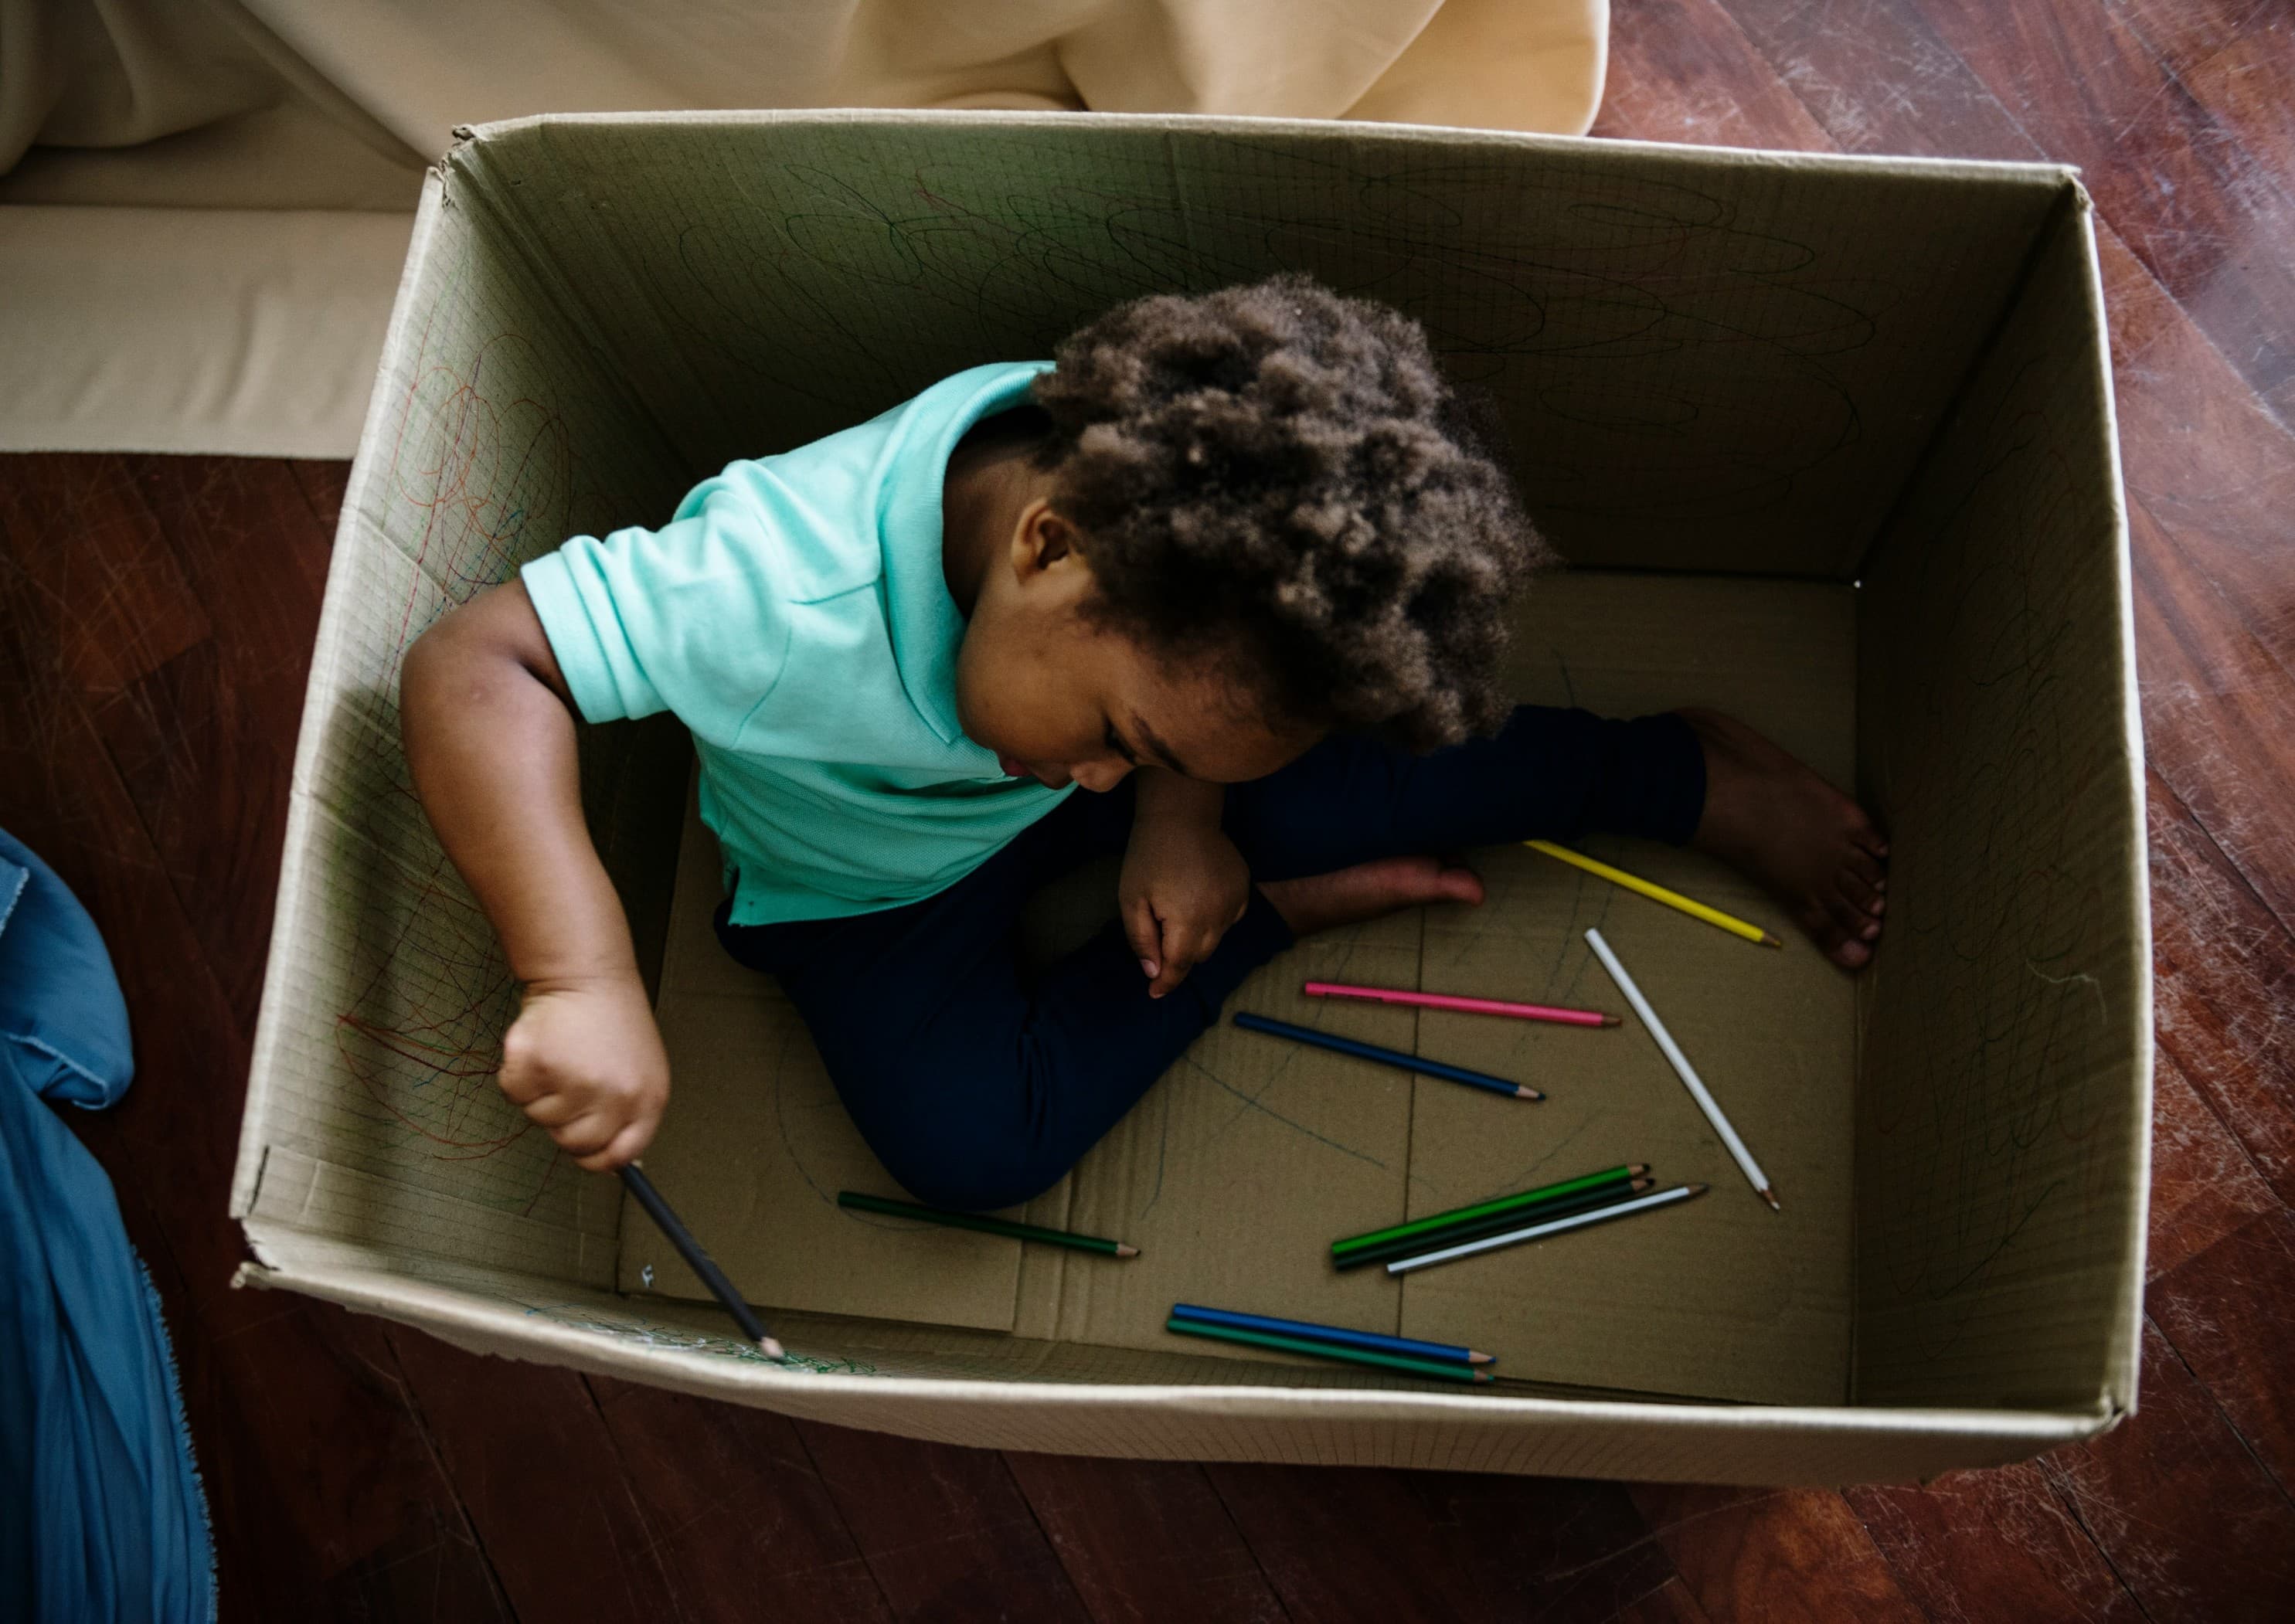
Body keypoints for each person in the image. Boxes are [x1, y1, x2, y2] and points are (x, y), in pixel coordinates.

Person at [400, 275, 1888, 1211]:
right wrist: (577, 972)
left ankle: (1676, 769)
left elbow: (1159, 727)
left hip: (1063, 795)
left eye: (1149, 746)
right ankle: (1268, 923)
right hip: (858, 883)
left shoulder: (1156, 585)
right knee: (972, 1152)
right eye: (1119, 734)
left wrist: (1183, 811)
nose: (1105, 766)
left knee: (1332, 789)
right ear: (1045, 548)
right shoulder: (770, 593)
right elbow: (481, 662)